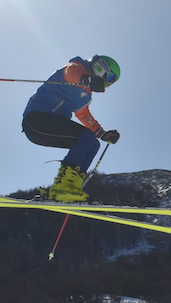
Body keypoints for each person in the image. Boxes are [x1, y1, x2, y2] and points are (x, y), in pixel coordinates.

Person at [22, 55, 121, 202]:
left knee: (93, 144)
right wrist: (87, 80)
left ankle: (71, 187)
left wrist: (102, 134)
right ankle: (62, 185)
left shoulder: (85, 95)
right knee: (87, 136)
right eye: (110, 78)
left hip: (49, 125)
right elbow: (71, 73)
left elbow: (84, 115)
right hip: (37, 120)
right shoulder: (77, 68)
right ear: (102, 68)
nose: (108, 84)